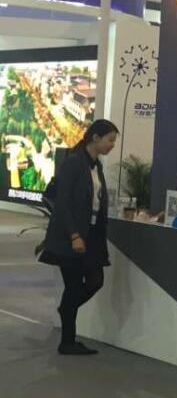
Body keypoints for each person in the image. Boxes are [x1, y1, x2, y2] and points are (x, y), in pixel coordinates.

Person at [39, 119, 119, 355]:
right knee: (74, 285)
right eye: (110, 140)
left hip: (92, 234)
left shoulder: (96, 165)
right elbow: (62, 203)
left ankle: (66, 312)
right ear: (95, 137)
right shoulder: (74, 163)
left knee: (95, 281)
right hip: (70, 235)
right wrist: (74, 235)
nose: (112, 145)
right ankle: (67, 341)